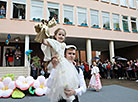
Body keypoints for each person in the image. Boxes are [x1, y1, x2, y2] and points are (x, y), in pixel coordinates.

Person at [41, 28, 79, 102]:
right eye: (59, 34)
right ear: (55, 35)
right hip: (57, 63)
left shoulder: (64, 45)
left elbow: (66, 54)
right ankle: (60, 96)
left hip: (64, 62)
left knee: (67, 80)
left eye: (63, 35)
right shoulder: (53, 42)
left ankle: (68, 95)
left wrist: (71, 61)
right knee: (58, 82)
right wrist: (43, 31)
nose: (61, 36)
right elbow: (44, 42)